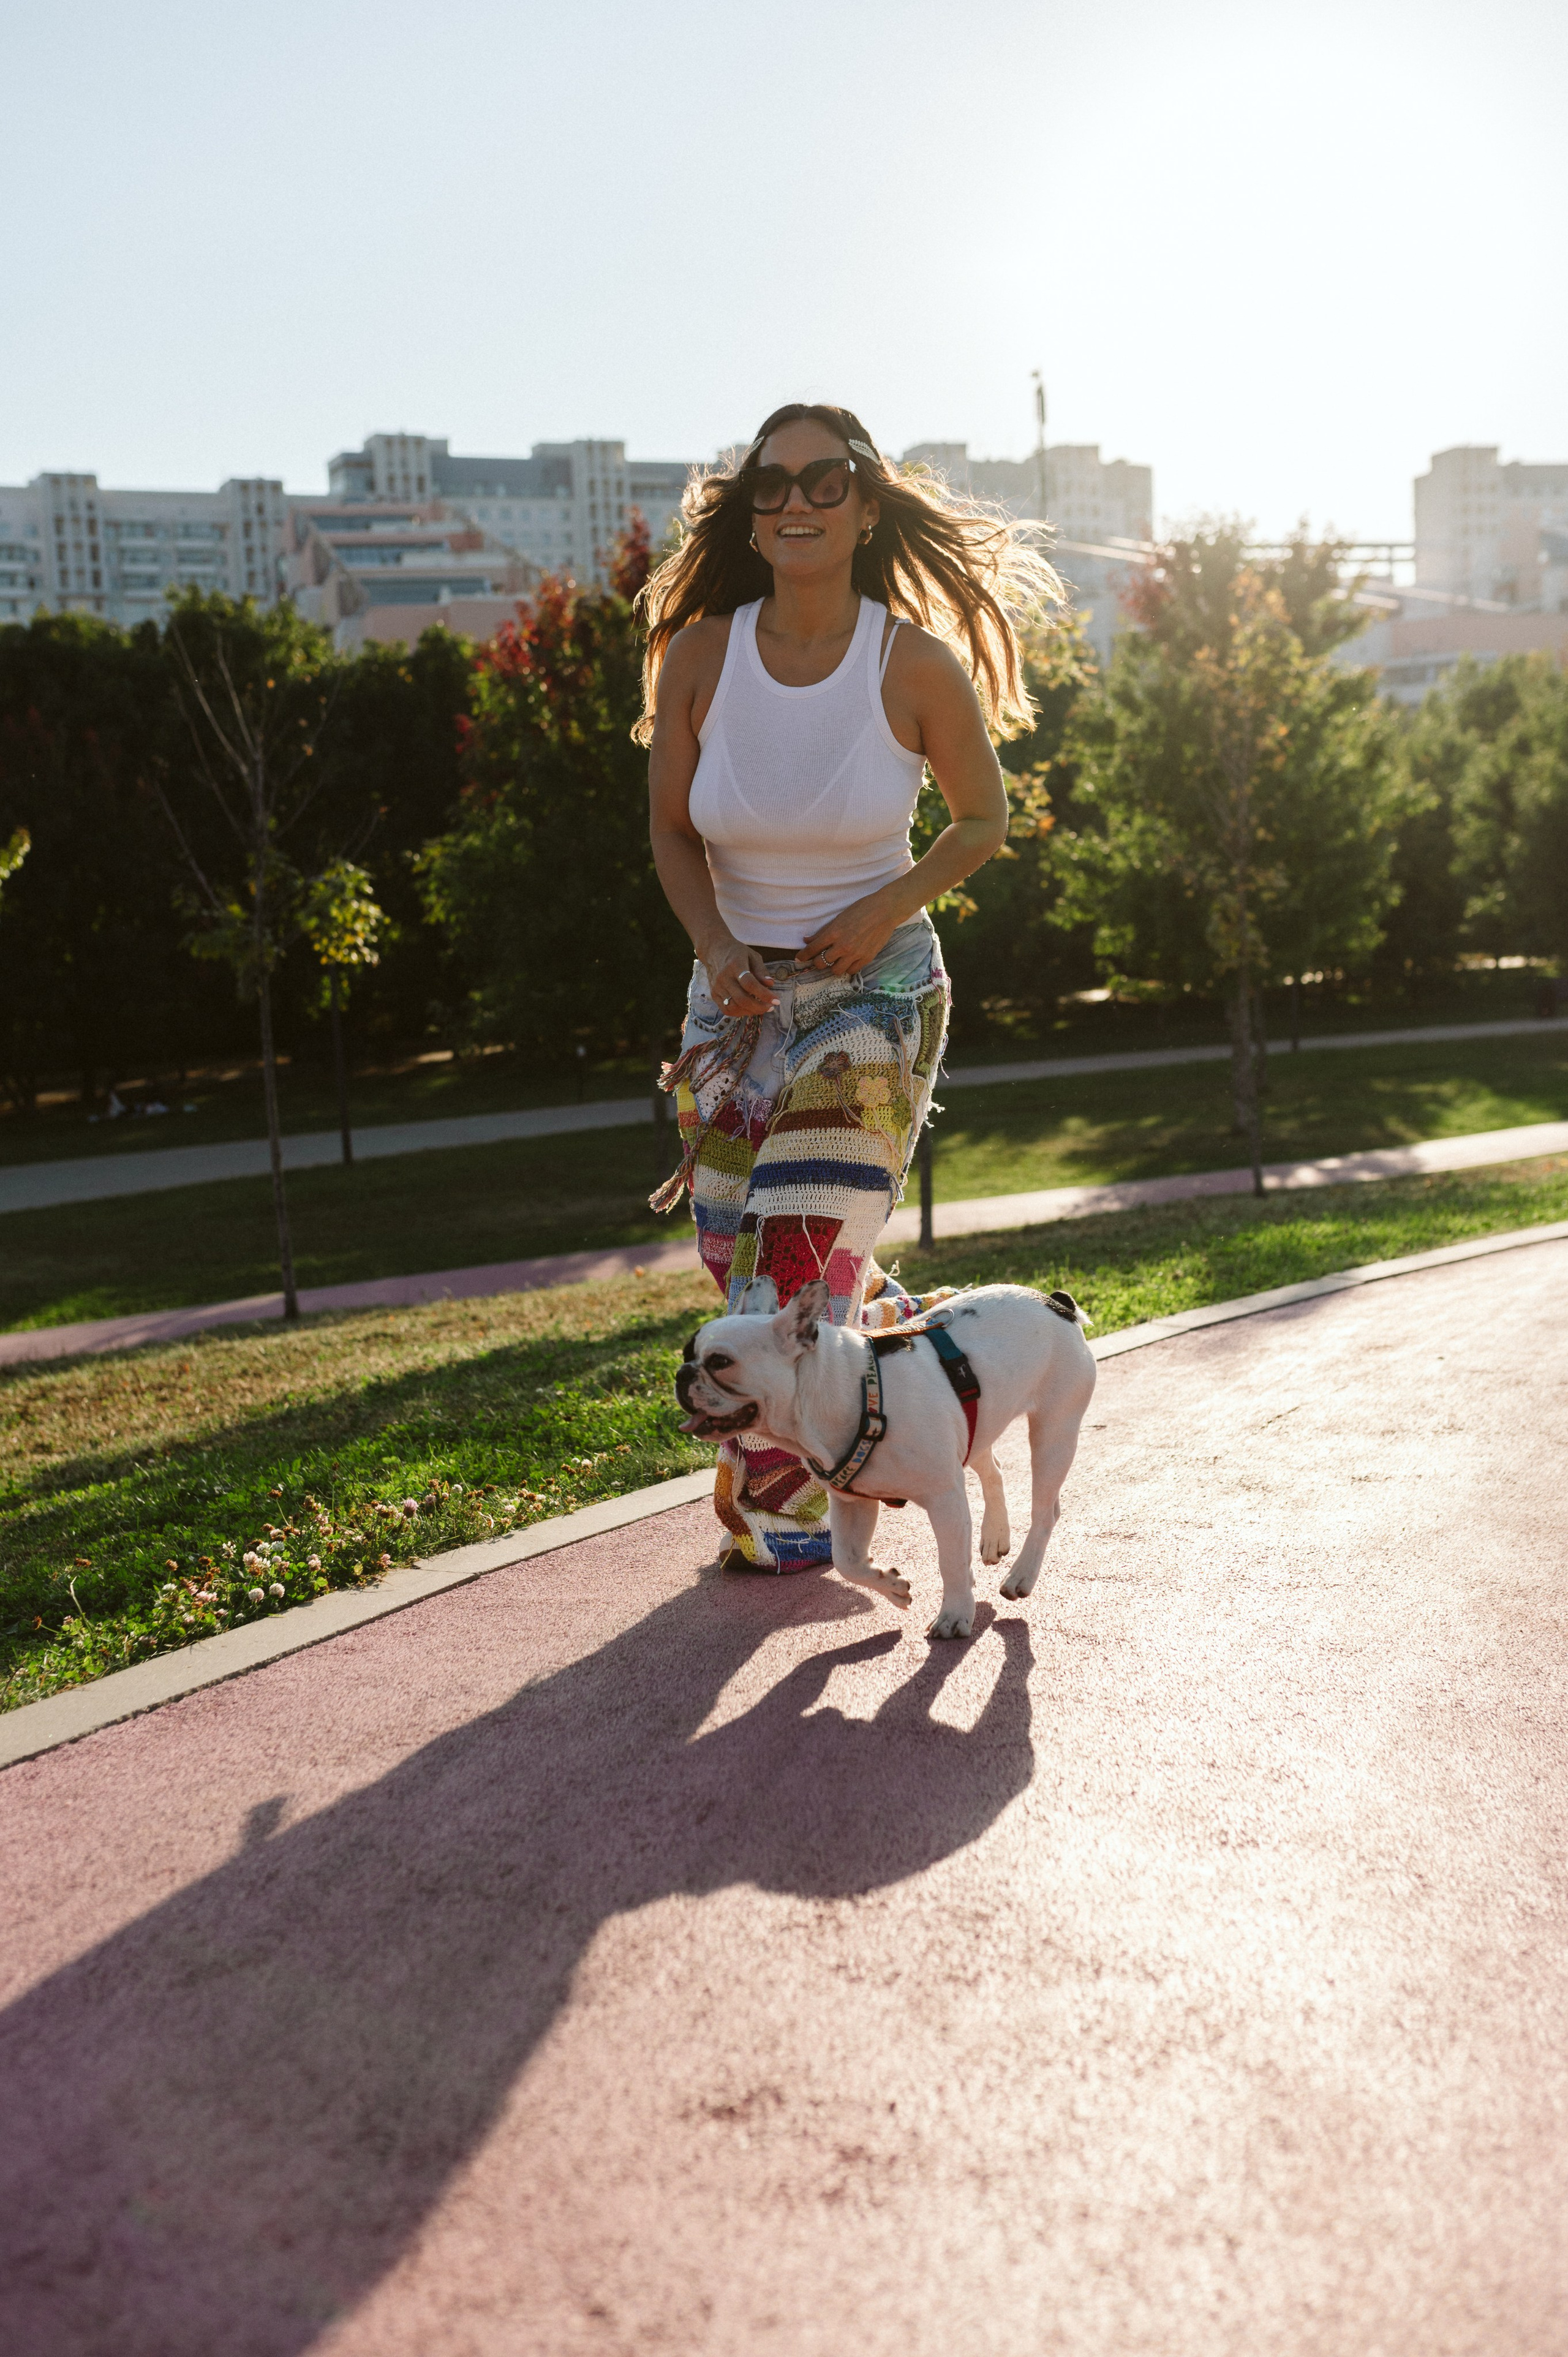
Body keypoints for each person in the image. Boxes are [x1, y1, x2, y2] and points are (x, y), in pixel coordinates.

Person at [640, 401, 1058, 1573]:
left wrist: (882, 905)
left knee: (788, 1267)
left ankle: (793, 1502)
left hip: (876, 993)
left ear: (868, 506)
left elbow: (985, 816)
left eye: (825, 482)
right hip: (732, 1003)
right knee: (737, 1259)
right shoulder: (703, 657)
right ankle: (906, 1369)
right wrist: (719, 946)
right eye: (770, 487)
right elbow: (673, 836)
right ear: (751, 516)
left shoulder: (910, 661)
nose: (796, 503)